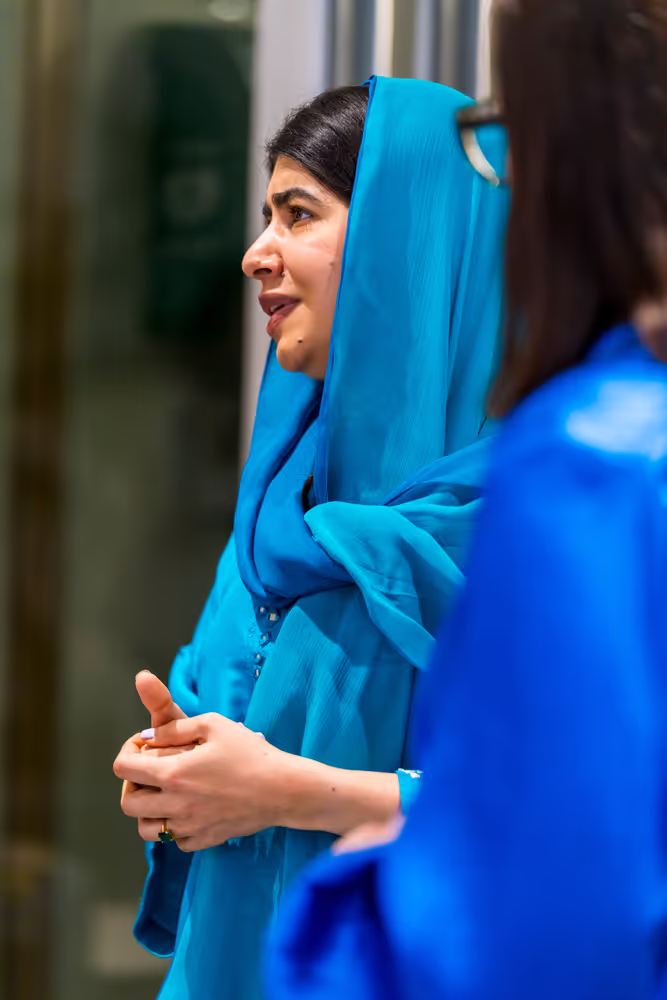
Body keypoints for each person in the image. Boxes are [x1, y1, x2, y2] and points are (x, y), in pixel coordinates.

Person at [264, 2, 667, 999]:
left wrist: (309, 822)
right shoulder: (277, 507)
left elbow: (529, 901)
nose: (257, 254)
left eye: (508, 136)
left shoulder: (590, 460)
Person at [113, 76, 508, 1000]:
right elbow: (220, 733)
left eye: (299, 213)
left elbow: (592, 817)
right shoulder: (278, 517)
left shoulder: (546, 515)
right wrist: (174, 781)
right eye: (265, 215)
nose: (256, 253)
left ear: (401, 244)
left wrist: (285, 791)